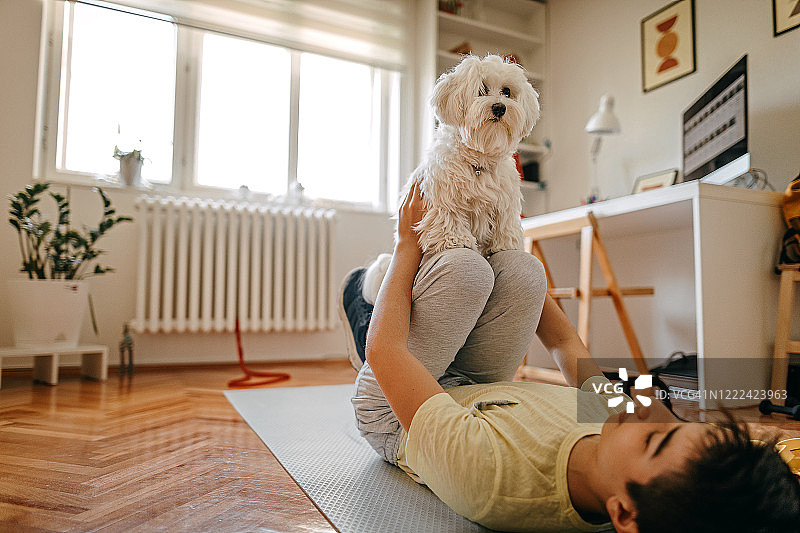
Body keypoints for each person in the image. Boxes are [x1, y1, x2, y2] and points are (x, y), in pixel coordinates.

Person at [339, 182, 800, 533]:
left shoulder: (490, 473)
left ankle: (355, 290)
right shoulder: (616, 441)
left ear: (623, 513)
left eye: (654, 439)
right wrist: (502, 241)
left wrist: (407, 243)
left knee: (458, 274)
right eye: (678, 422)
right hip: (473, 389)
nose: (646, 411)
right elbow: (565, 344)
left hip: (391, 415)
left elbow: (386, 353)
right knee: (523, 271)